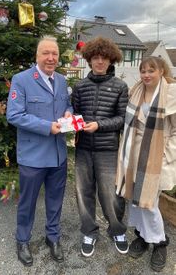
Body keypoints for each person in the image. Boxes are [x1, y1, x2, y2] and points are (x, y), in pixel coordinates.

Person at [6, 36, 72, 267]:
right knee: (28, 202)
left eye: (54, 53)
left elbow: (67, 105)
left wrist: (68, 114)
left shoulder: (62, 80)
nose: (51, 58)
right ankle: (22, 240)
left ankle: (52, 237)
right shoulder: (22, 80)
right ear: (37, 56)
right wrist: (47, 127)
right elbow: (14, 115)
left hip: (58, 155)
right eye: (46, 53)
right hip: (33, 156)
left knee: (55, 200)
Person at [116, 56, 176, 272]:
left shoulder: (171, 94)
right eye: (143, 70)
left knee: (149, 203)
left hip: (156, 157)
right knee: (135, 199)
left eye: (151, 70)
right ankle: (141, 236)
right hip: (133, 154)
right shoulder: (136, 90)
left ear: (161, 71)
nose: (146, 75)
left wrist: (165, 157)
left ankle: (160, 243)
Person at [71, 36, 129, 257]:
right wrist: (73, 121)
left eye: (104, 58)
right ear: (89, 60)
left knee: (111, 194)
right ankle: (89, 231)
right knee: (83, 192)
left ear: (111, 60)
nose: (99, 62)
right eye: (95, 58)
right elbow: (75, 113)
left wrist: (100, 125)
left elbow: (123, 118)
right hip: (83, 149)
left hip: (108, 150)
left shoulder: (120, 87)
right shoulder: (80, 86)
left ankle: (117, 230)